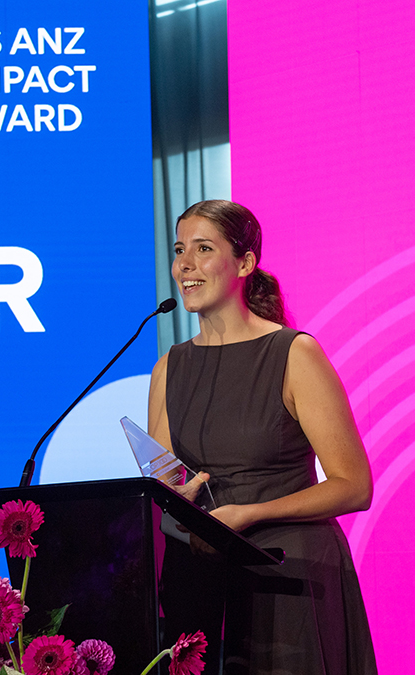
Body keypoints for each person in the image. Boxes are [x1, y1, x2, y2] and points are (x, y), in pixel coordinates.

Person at [148, 199, 378, 675]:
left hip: (289, 573)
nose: (184, 265)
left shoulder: (294, 353)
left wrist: (250, 514)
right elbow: (163, 478)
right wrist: (176, 497)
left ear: (245, 263)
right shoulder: (170, 366)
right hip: (203, 578)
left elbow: (353, 485)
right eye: (179, 249)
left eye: (203, 248)